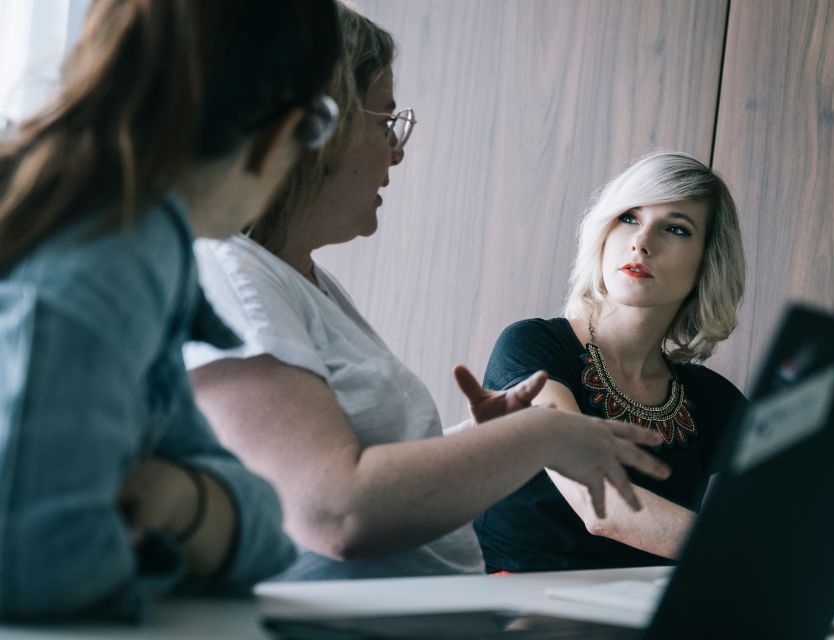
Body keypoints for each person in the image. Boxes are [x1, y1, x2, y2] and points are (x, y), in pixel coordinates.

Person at [184, 3, 669, 582]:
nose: (397, 150)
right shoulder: (230, 276)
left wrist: (482, 441)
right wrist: (540, 435)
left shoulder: (304, 283)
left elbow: (361, 467)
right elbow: (336, 512)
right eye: (385, 120)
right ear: (321, 123)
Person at [0, 0, 341, 620]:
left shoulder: (145, 243)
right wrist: (185, 521)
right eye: (316, 126)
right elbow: (36, 559)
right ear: (276, 136)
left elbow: (266, 528)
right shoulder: (120, 249)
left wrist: (181, 496)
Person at [474, 151, 834, 575]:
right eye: (629, 217)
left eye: (677, 229)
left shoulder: (709, 398)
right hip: (517, 610)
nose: (641, 242)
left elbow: (808, 503)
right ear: (604, 233)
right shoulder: (531, 347)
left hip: (646, 613)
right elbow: (602, 508)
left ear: (707, 263)